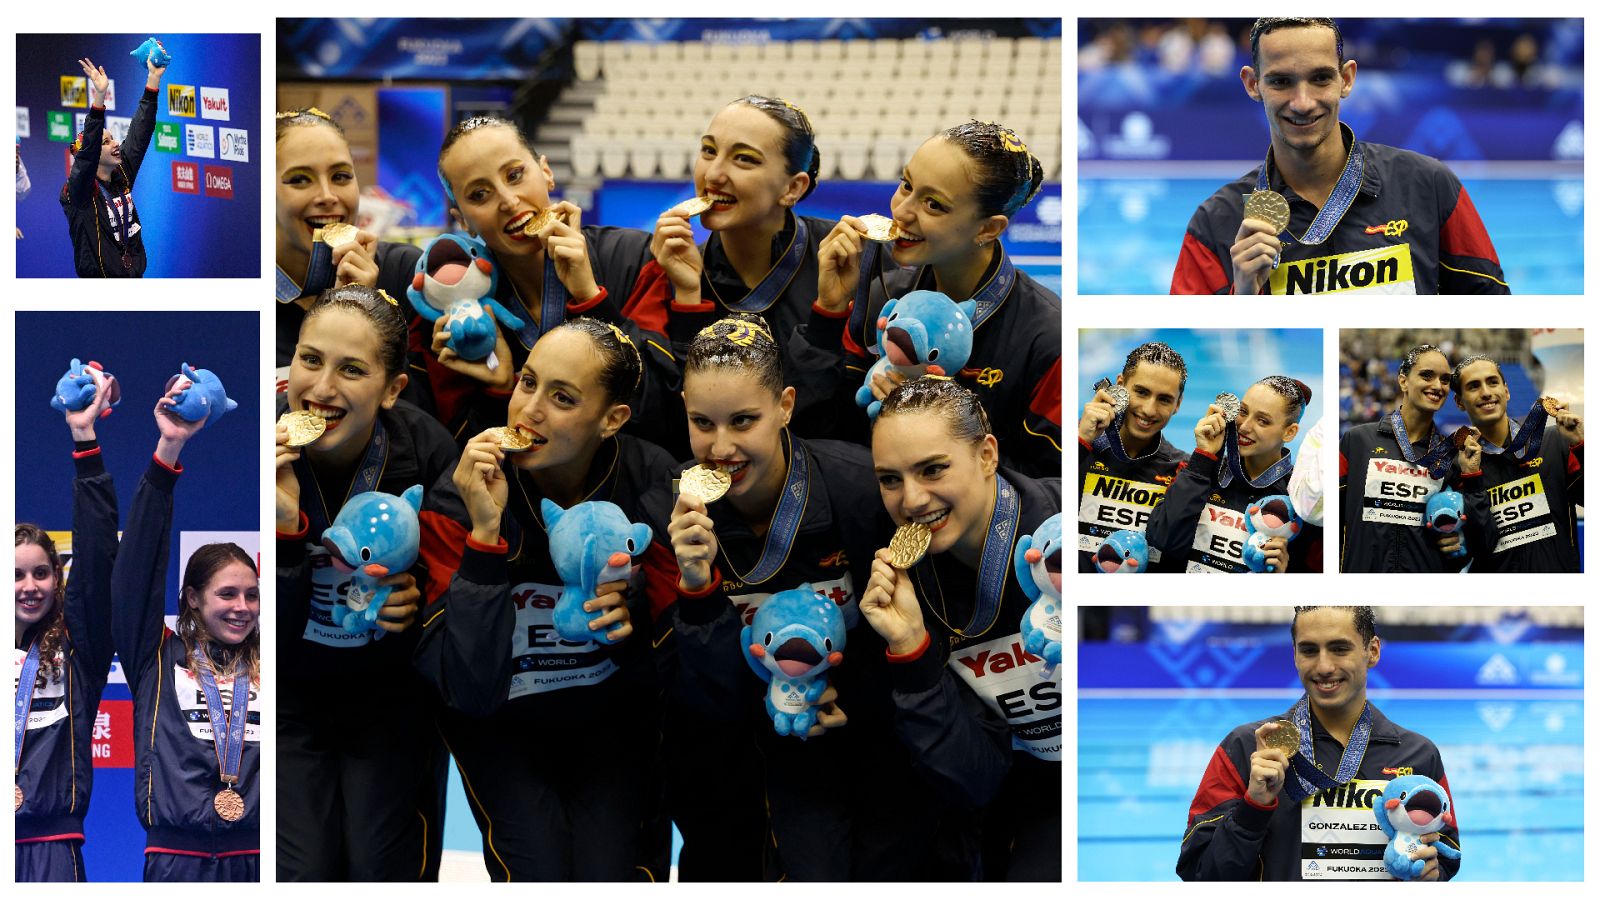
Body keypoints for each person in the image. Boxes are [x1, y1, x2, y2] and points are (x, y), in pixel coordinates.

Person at [649, 315, 928, 880]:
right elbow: (679, 691)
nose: (720, 447)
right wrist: (698, 591)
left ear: (785, 405)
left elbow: (903, 629)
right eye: (702, 422)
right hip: (726, 773)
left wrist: (848, 697)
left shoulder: (856, 489)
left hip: (850, 753)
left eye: (744, 420)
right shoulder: (664, 513)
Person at [412, 318, 673, 881]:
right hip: (502, 730)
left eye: (562, 397)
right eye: (527, 383)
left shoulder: (654, 485)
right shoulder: (460, 491)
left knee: (610, 873)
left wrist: (635, 629)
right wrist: (484, 537)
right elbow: (469, 691)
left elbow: (677, 672)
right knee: (539, 870)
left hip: (614, 727)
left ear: (613, 419)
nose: (528, 410)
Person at [275, 285, 456, 881]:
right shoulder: (257, 448)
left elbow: (457, 588)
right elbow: (240, 624)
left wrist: (421, 598)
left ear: (392, 390)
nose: (321, 388)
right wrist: (281, 534)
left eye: (351, 369)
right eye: (310, 359)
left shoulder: (423, 449)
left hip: (391, 701)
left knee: (383, 870)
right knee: (305, 872)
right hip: (288, 703)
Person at [862, 377, 1062, 881]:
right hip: (1011, 794)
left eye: (933, 469)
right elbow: (972, 778)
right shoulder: (903, 585)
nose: (911, 499)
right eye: (890, 479)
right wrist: (910, 650)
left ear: (987, 455)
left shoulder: (1068, 538)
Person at [1171, 17, 1510, 295]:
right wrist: (1243, 298)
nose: (1302, 102)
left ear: (1346, 79)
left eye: (1320, 78)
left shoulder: (1430, 185)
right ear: (1252, 84)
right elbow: (1198, 350)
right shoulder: (1214, 224)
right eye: (1281, 82)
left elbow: (1495, 310)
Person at [809, 120, 1061, 476]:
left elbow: (1052, 483)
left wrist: (938, 423)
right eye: (906, 184)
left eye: (933, 204)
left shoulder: (1048, 338)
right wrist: (829, 311)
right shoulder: (880, 290)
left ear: (988, 228)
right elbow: (822, 433)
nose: (901, 211)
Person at [423, 116, 674, 448]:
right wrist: (499, 390)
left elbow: (666, 412)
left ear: (546, 172)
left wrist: (590, 297)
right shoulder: (458, 312)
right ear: (463, 221)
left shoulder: (632, 258)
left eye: (515, 175)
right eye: (480, 194)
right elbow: (453, 453)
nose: (509, 201)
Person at [1178, 606, 1461, 881]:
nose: (1324, 667)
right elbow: (1201, 874)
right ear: (1295, 655)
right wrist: (1253, 807)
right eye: (1309, 650)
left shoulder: (1419, 755)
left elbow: (1446, 859)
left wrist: (1428, 878)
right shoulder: (1245, 747)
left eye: (1340, 648)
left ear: (1372, 651)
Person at [110, 380, 260, 881]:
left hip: (259, 862)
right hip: (176, 863)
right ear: (193, 597)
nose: (242, 607)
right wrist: (168, 449)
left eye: (251, 595)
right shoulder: (156, 658)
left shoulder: (268, 662)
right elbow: (134, 572)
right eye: (227, 594)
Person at [624, 96, 831, 452]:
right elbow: (664, 425)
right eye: (708, 151)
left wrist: (831, 310)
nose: (713, 174)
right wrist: (688, 297)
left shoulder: (838, 260)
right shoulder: (670, 270)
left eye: (744, 159)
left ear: (792, 188)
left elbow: (832, 418)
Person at [15, 369, 120, 881]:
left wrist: (85, 439)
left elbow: (99, 555)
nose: (29, 586)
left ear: (59, 580)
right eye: (14, 575)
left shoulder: (78, 649)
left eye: (41, 572)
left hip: (51, 850)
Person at [273, 108, 422, 388]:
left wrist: (365, 308)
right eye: (299, 179)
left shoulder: (405, 274)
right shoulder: (238, 293)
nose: (328, 196)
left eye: (340, 176)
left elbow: (414, 412)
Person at [1146, 376, 1323, 573]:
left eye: (1262, 421)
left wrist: (1284, 575)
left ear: (1289, 432)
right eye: (1243, 412)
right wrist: (1204, 458)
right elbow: (1161, 539)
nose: (1245, 426)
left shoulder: (1300, 497)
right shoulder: (1203, 469)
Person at [1339, 343, 1476, 572]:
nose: (1437, 386)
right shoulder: (1357, 441)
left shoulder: (1450, 455)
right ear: (1403, 380)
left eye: (1444, 379)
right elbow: (1328, 520)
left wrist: (1461, 545)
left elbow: (1463, 533)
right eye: (1426, 375)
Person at [1449, 355, 1583, 571]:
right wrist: (1472, 479)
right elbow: (1477, 547)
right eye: (1473, 386)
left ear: (1506, 391)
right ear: (1459, 402)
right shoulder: (1459, 468)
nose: (1486, 392)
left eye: (1492, 382)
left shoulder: (1553, 442)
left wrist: (1581, 447)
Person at [1076, 341, 1188, 572]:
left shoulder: (1183, 470)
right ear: (1120, 385)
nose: (1148, 409)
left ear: (1178, 404)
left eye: (1164, 399)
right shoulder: (1077, 442)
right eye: (1141, 392)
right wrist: (1081, 441)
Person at [60, 53, 165, 277]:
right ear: (92, 154)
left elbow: (140, 132)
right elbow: (87, 152)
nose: (116, 144)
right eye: (106, 142)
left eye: (112, 138)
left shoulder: (121, 175)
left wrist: (153, 79)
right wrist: (99, 96)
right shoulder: (79, 193)